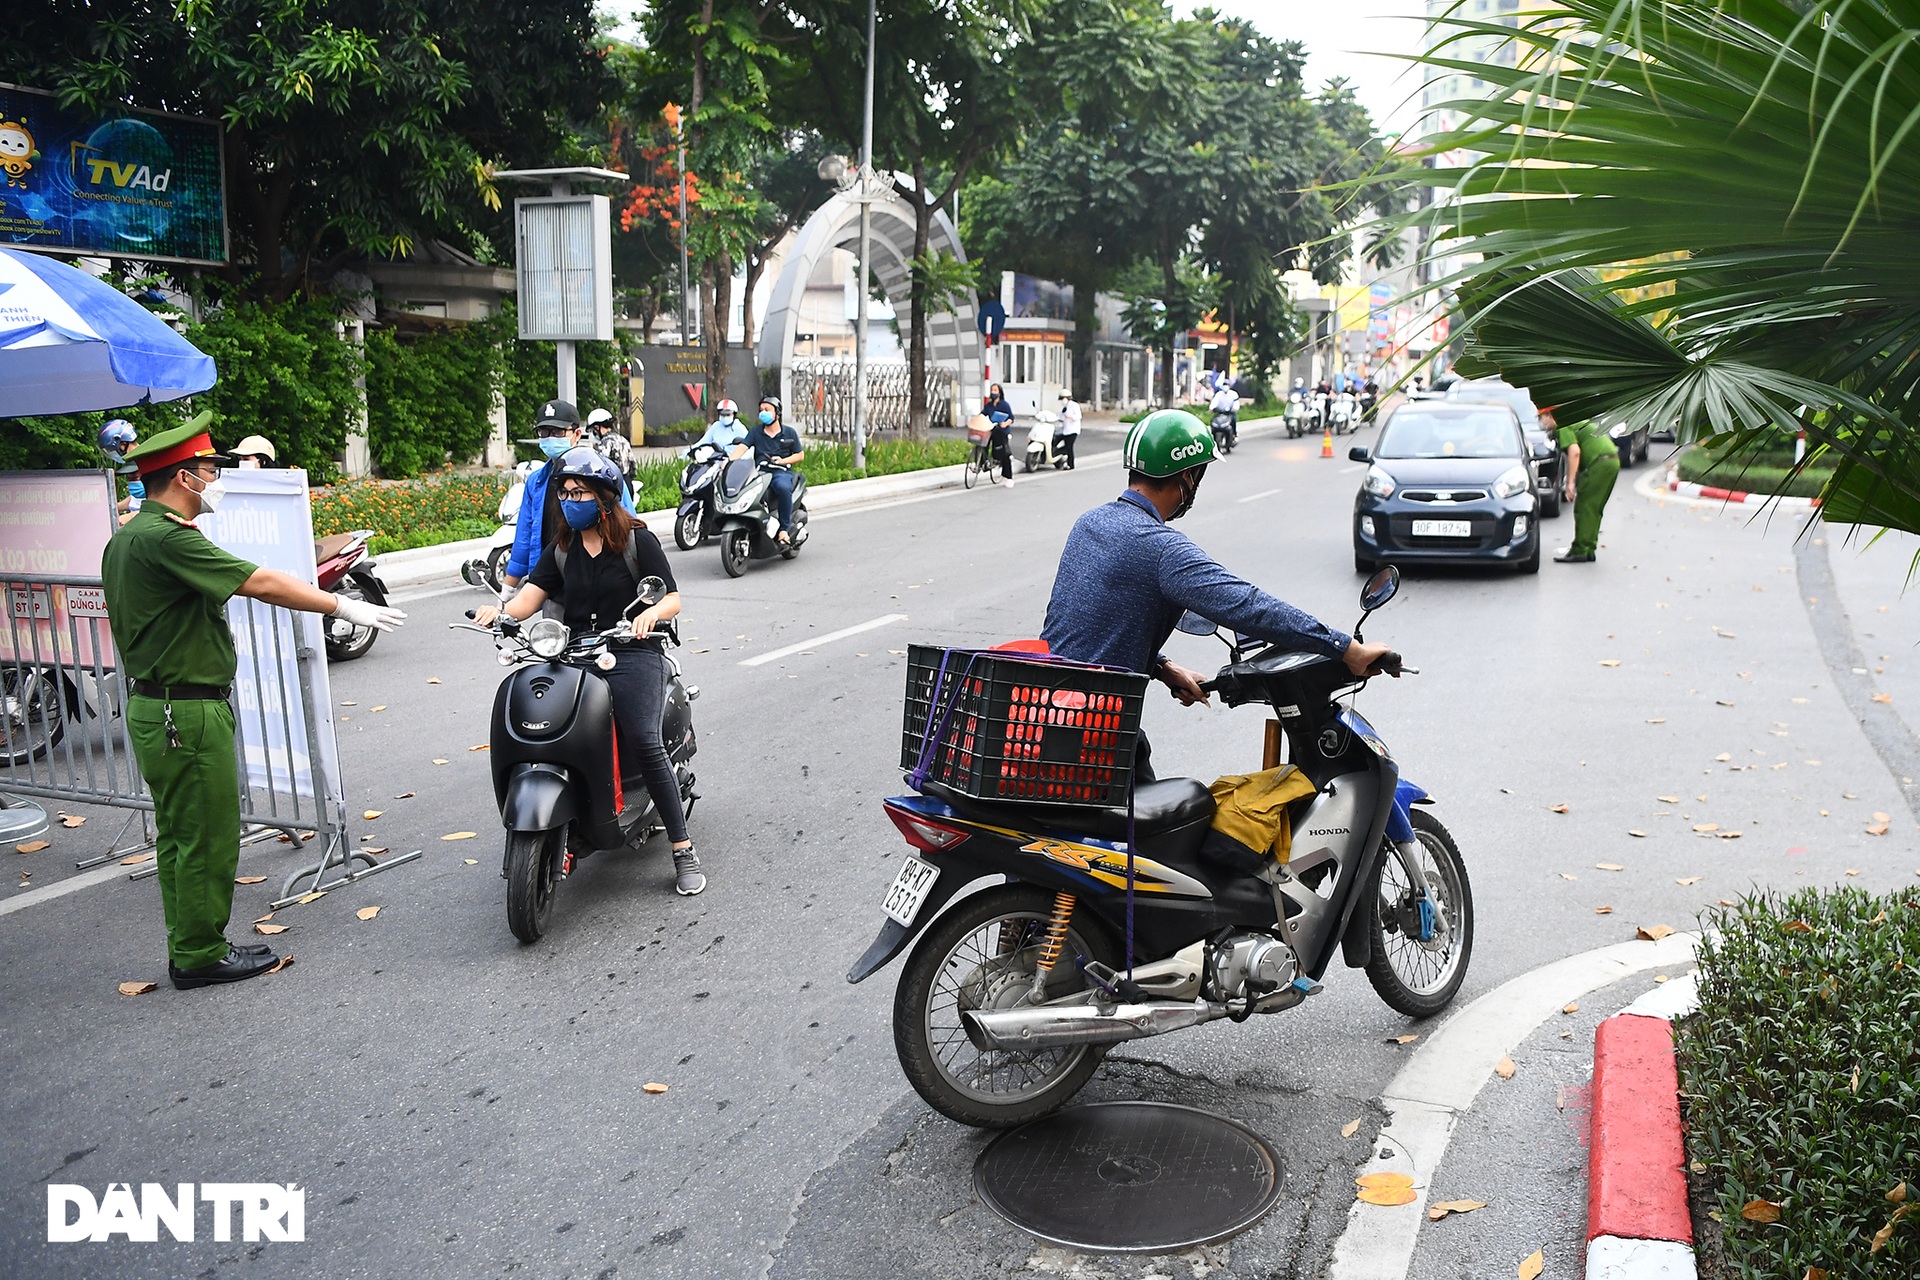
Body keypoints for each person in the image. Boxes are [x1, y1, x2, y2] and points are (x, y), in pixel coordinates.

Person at [101, 417, 407, 989]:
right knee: (207, 836)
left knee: (179, 833)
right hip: (184, 713)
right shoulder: (167, 538)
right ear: (186, 478)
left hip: (159, 708)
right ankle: (198, 955)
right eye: (210, 470)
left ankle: (188, 943)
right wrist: (341, 608)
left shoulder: (128, 537)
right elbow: (260, 582)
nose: (216, 480)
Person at [1040, 409, 1394, 778]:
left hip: (1047, 716)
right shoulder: (1162, 549)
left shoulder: (1089, 523)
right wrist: (1347, 650)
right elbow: (1248, 606)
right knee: (1191, 807)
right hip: (1098, 739)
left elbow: (1092, 621)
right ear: (1187, 477)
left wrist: (1162, 667)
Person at [474, 448, 704, 895]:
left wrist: (650, 615)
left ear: (603, 497)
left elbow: (672, 598)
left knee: (641, 736)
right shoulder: (562, 548)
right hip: (576, 651)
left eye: (578, 492)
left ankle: (682, 847)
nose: (569, 500)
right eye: (564, 493)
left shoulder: (638, 541)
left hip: (634, 651)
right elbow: (530, 597)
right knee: (550, 724)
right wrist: (500, 610)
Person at [504, 400, 636, 592]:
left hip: (601, 585)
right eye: (544, 432)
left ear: (576, 434)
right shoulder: (536, 482)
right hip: (554, 588)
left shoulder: (603, 474)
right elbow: (524, 538)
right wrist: (506, 593)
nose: (550, 438)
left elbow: (628, 526)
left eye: (557, 432)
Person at [1544, 406, 1620, 564]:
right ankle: (1589, 548)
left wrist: (1570, 483)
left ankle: (1580, 549)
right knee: (1594, 508)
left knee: (1584, 507)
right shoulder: (1572, 418)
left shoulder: (1563, 424)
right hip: (1611, 460)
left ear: (1549, 415)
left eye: (1542, 418)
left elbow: (1574, 452)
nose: (1542, 423)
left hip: (1598, 463)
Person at [729, 396, 805, 543]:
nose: (763, 413)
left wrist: (783, 461)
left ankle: (784, 530)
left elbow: (800, 455)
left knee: (783, 488)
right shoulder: (756, 432)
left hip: (780, 472)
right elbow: (742, 448)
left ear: (777, 413)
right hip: (760, 473)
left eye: (767, 410)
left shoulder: (789, 432)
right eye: (761, 410)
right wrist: (728, 462)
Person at [99, 419, 143, 518]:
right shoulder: (132, 462)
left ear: (122, 445)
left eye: (111, 450)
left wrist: (129, 518)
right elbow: (138, 500)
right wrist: (114, 507)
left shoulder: (154, 462)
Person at [685, 399, 749, 457]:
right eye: (722, 414)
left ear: (734, 415)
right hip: (716, 459)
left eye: (728, 415)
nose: (724, 417)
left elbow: (749, 448)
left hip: (733, 463)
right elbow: (703, 441)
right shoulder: (716, 426)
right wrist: (689, 451)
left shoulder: (739, 428)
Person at [585, 408, 634, 482]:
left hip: (614, 484)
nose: (594, 433)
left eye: (594, 430)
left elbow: (599, 466)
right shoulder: (623, 440)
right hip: (627, 482)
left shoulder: (605, 443)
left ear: (597, 427)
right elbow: (633, 466)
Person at [982, 384, 1015, 488]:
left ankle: (1008, 477)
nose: (993, 392)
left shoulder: (1004, 405)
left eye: (995, 390)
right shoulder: (989, 405)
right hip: (991, 429)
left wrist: (1005, 424)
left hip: (1001, 431)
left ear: (1000, 392)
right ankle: (983, 462)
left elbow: (1011, 418)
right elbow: (983, 414)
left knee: (1003, 452)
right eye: (992, 390)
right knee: (982, 443)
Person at [1208, 378, 1240, 444]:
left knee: (1233, 420)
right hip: (1220, 413)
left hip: (1229, 413)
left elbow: (1236, 403)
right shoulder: (1219, 394)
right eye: (1224, 384)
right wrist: (1211, 408)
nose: (1225, 386)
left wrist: (1234, 408)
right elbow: (1215, 402)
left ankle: (1234, 435)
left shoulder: (1233, 394)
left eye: (1226, 385)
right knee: (1213, 421)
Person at [1057, 392, 1082, 470]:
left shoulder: (1074, 405)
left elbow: (1079, 416)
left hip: (1073, 429)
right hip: (1065, 429)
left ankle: (1071, 464)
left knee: (1069, 447)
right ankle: (1060, 460)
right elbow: (1060, 417)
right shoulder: (1063, 406)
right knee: (1063, 445)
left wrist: (1071, 417)